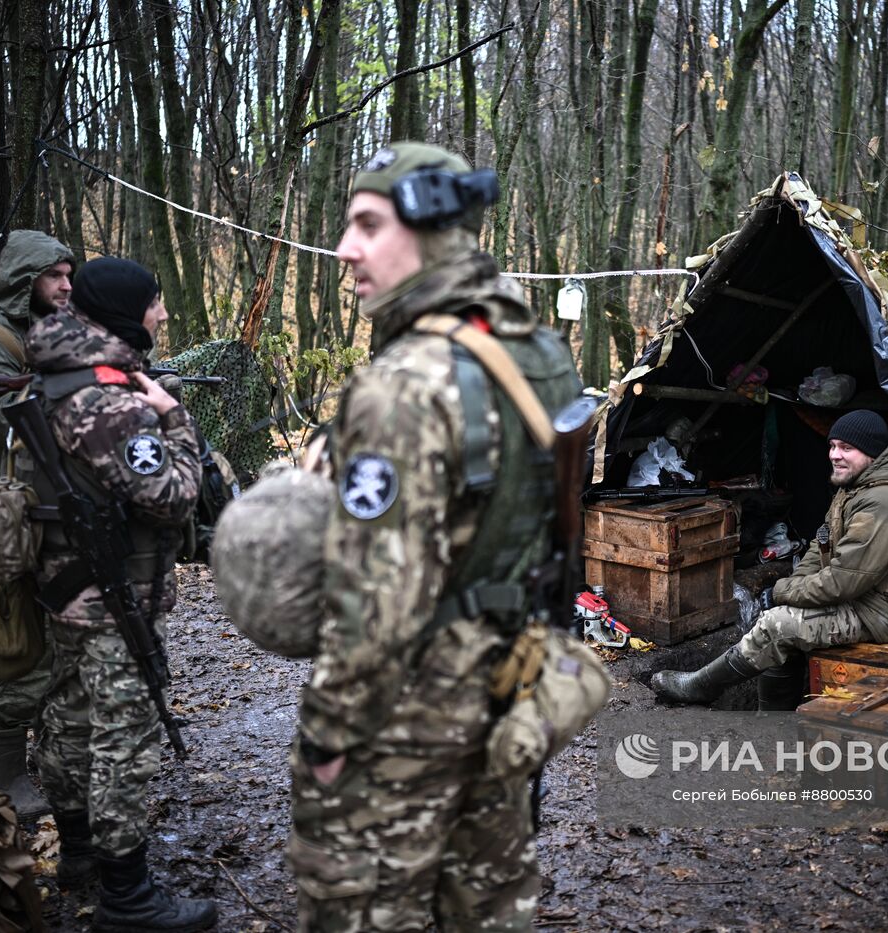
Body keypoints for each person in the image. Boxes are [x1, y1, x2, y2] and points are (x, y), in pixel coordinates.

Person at [289, 142, 582, 931]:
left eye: (367, 223)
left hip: (408, 719)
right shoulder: (542, 353)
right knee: (486, 903)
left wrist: (327, 739)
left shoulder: (403, 386)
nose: (345, 248)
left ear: (430, 227)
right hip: (507, 692)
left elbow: (374, 607)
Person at [23, 257, 216, 930]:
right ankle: (127, 896)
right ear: (130, 313)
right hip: (109, 597)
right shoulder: (111, 401)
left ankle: (77, 853)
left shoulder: (57, 376)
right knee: (122, 739)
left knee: (68, 719)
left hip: (62, 588)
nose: (163, 315)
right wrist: (174, 418)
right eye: (156, 305)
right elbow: (171, 495)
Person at [652, 409, 888, 711]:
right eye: (832, 446)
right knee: (782, 617)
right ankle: (774, 717)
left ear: (873, 453)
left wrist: (779, 592)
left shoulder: (886, 502)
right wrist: (790, 588)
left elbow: (841, 581)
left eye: (847, 448)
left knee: (778, 626)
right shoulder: (858, 489)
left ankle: (702, 687)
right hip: (868, 599)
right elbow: (820, 548)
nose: (835, 455)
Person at [0, 230, 74, 822]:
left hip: (46, 511)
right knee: (22, 643)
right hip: (10, 520)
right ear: (28, 282)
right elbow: (11, 423)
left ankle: (53, 754)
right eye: (55, 276)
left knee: (61, 640)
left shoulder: (41, 335)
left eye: (69, 275)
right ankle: (7, 775)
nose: (67, 286)